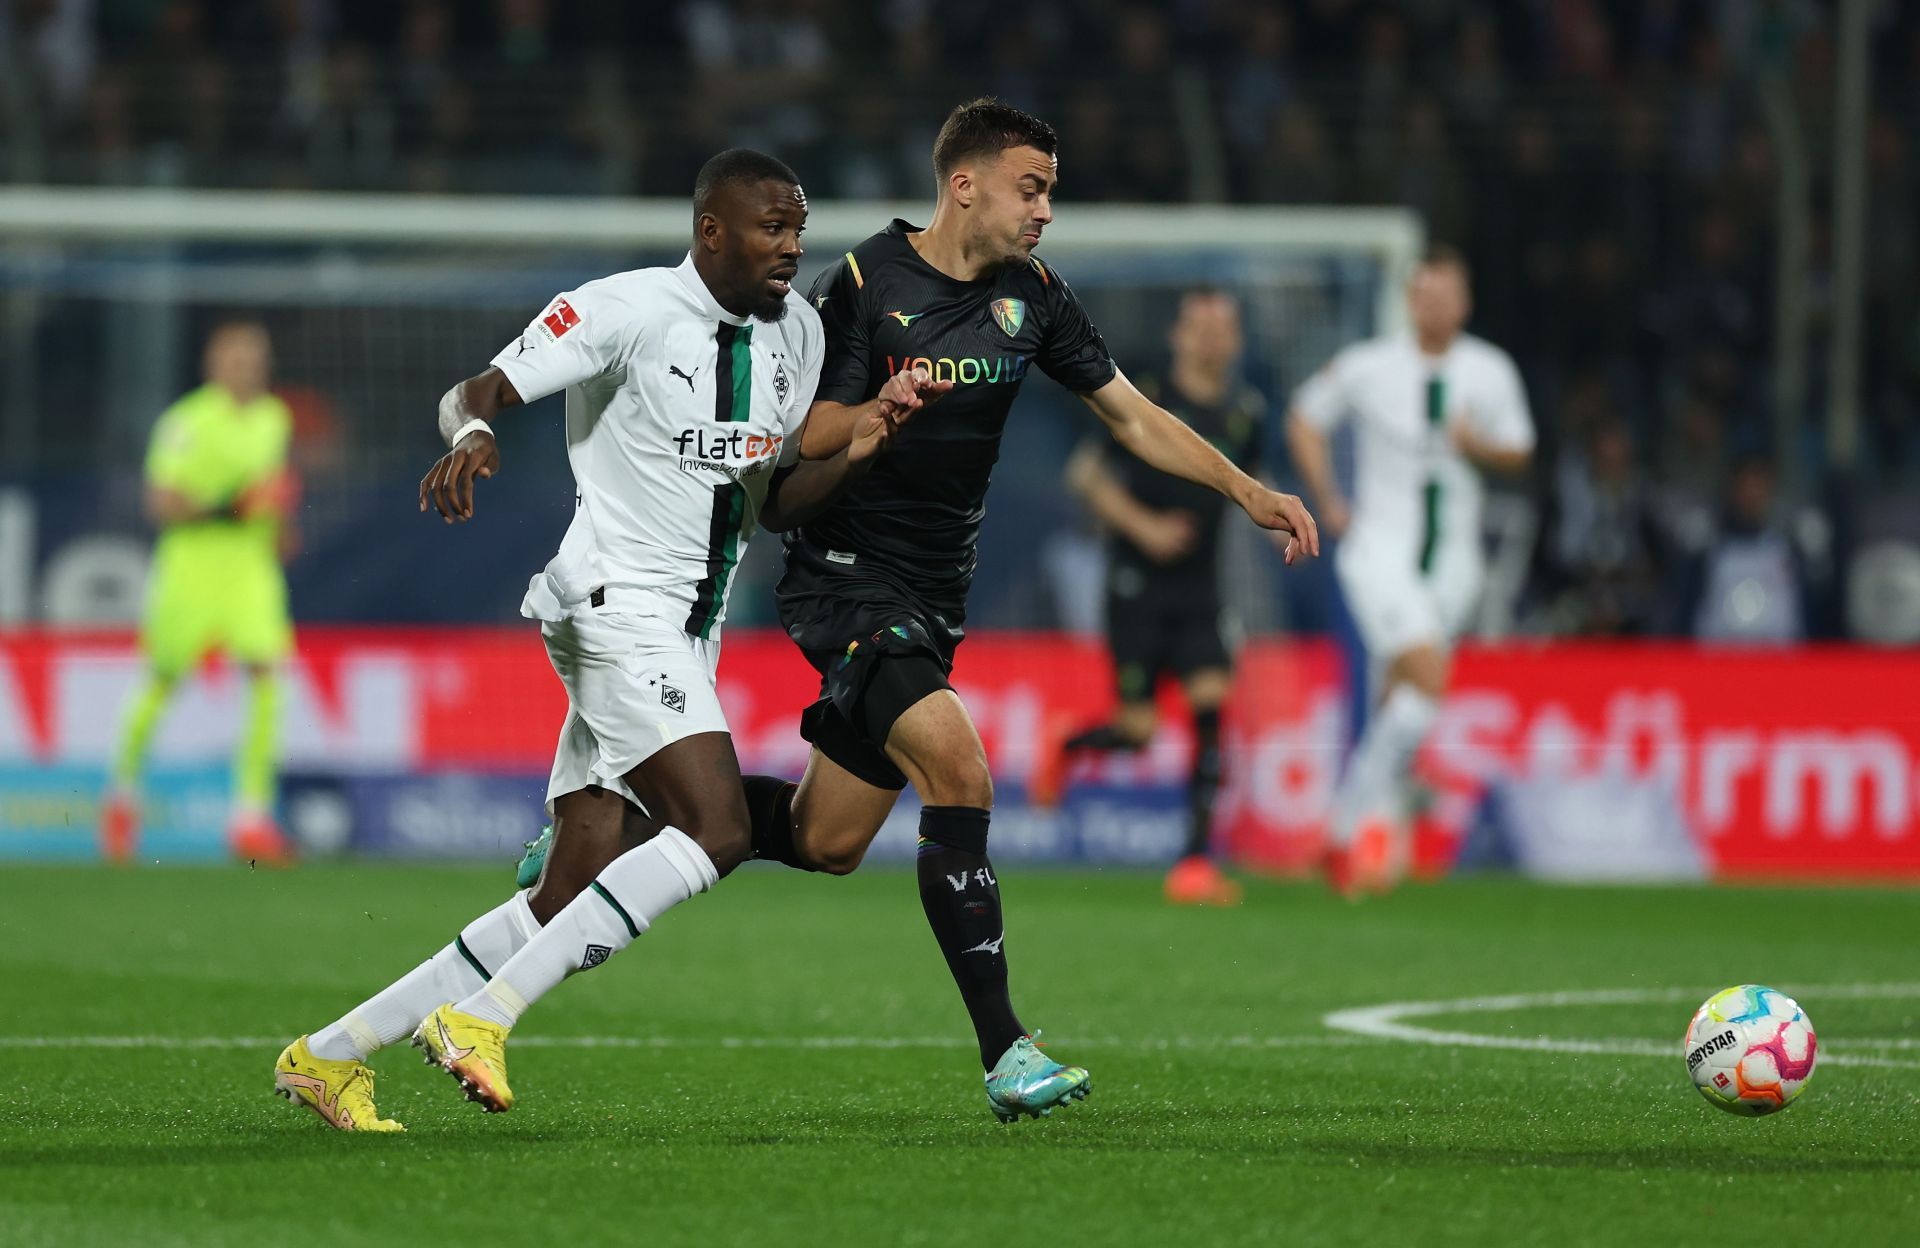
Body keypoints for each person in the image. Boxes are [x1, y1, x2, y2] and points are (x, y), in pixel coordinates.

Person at [272, 149, 936, 1132]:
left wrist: (867, 440)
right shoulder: (622, 310)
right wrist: (469, 437)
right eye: (771, 227)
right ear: (711, 229)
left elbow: (781, 502)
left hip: (685, 634)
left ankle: (328, 1055)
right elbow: (474, 391)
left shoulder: (795, 334)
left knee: (568, 884)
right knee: (716, 828)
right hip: (615, 603)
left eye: (798, 228)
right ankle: (483, 1018)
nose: (791, 247)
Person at [746, 98, 1318, 1120]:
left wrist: (1249, 491)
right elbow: (811, 427)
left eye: (1049, 190)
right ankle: (1008, 1052)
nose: (1045, 209)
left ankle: (634, 808)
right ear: (964, 184)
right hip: (842, 573)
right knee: (961, 771)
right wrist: (877, 410)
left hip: (931, 595)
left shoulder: (1035, 298)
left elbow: (1134, 417)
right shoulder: (867, 282)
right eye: (1032, 187)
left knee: (825, 839)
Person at [1284, 246, 1533, 895]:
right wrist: (1327, 497)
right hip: (1380, 551)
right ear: (1409, 300)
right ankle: (1345, 833)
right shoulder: (1370, 365)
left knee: (1409, 701)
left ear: (1465, 302)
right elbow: (1305, 417)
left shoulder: (1490, 369)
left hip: (1455, 560)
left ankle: (1372, 840)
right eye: (1424, 294)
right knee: (1426, 673)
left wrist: (1477, 446)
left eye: (1446, 295)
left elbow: (1521, 451)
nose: (1435, 306)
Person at [1028, 287, 1272, 907]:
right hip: (1135, 586)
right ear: (1180, 336)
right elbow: (1084, 476)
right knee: (1138, 731)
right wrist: (1145, 528)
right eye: (1202, 325)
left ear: (1236, 341)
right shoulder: (1149, 398)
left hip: (1201, 592)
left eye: (1224, 326)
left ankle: (1194, 863)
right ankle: (1069, 744)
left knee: (1210, 706)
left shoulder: (1246, 412)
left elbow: (1250, 488)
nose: (1213, 337)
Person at [100, 321, 299, 865]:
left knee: (266, 680)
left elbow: (273, 488)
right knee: (162, 681)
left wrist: (281, 525)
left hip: (250, 570)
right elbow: (161, 502)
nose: (247, 367)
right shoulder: (185, 422)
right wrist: (230, 506)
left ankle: (250, 819)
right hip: (191, 568)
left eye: (255, 358)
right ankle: (121, 798)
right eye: (237, 358)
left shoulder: (273, 419)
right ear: (214, 364)